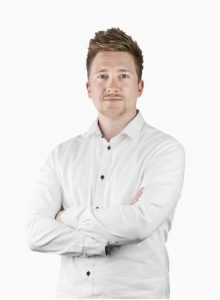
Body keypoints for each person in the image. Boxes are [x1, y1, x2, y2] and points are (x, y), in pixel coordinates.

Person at [25, 27, 185, 299]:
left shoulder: (165, 150)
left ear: (140, 86)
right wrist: (96, 242)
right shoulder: (62, 155)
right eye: (102, 76)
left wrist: (66, 217)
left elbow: (139, 223)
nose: (111, 85)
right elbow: (35, 233)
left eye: (123, 75)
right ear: (88, 88)